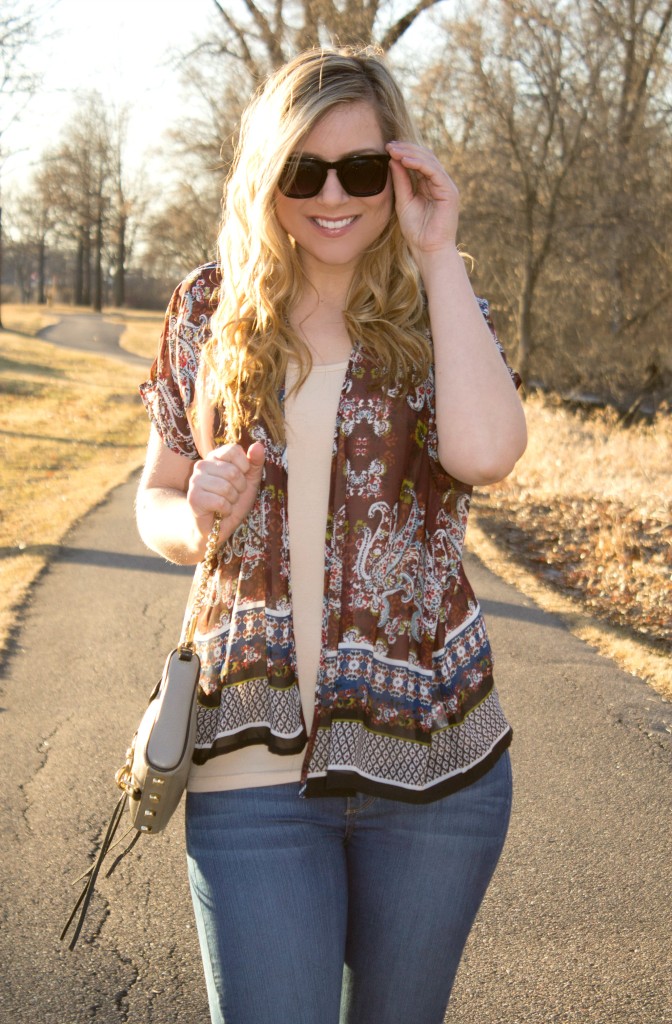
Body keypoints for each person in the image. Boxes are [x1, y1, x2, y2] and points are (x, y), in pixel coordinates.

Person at [136, 45, 527, 1024]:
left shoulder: (442, 306)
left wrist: (438, 254)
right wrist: (192, 515)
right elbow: (156, 494)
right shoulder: (208, 308)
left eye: (360, 169)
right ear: (267, 177)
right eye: (302, 171)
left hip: (434, 767)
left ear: (397, 173)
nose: (332, 195)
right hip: (246, 768)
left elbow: (486, 454)